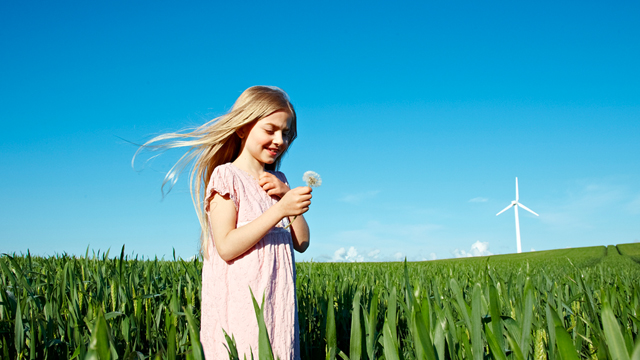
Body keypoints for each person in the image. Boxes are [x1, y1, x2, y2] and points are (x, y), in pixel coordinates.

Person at [137, 86, 311, 359]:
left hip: (277, 300)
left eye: (286, 133)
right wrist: (279, 211)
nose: (280, 140)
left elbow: (302, 242)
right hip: (241, 302)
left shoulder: (281, 182)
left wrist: (288, 199)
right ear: (242, 129)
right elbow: (227, 246)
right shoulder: (226, 177)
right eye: (270, 130)